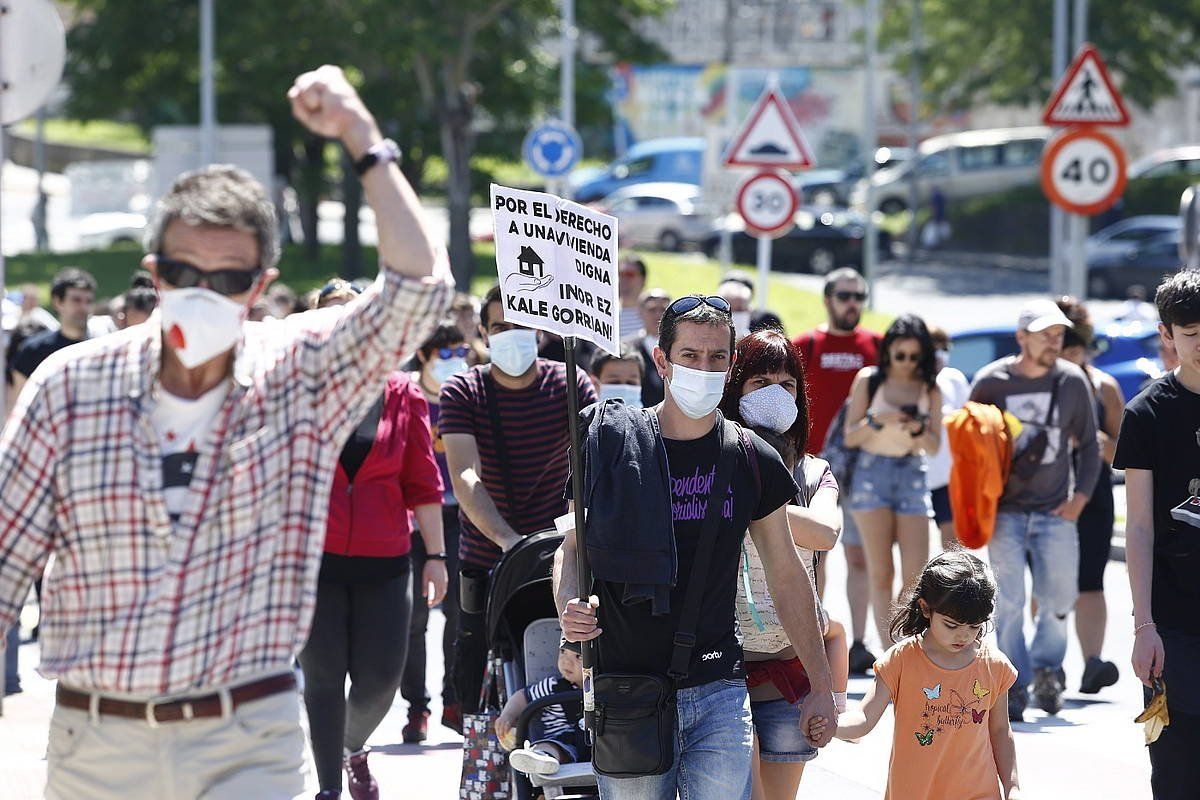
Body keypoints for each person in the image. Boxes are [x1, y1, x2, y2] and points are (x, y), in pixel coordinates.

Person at [0, 66, 452, 799]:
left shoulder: (300, 375)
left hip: (249, 740)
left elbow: (420, 291)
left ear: (258, 283)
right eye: (184, 271)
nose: (203, 292)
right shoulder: (69, 387)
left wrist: (362, 138)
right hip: (99, 742)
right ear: (154, 272)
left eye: (228, 278)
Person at [555, 294, 836, 800]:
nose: (703, 368)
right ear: (662, 360)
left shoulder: (753, 459)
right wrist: (568, 619)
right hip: (627, 690)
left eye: (716, 358)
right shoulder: (610, 443)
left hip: (718, 690)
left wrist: (820, 684)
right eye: (690, 356)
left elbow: (788, 572)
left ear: (730, 367)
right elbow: (571, 551)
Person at [297, 280, 448, 800]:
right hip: (313, 562)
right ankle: (328, 788)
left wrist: (436, 556)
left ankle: (350, 746)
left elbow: (424, 482)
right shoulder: (294, 388)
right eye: (330, 314)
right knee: (321, 680)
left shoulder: (402, 392)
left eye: (352, 313)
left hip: (386, 560)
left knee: (380, 681)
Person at [440, 285, 597, 716]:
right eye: (500, 327)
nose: (512, 334)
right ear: (484, 334)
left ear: (541, 329)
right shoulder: (464, 390)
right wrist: (510, 542)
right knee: (478, 687)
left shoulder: (571, 383)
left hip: (562, 553)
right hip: (490, 558)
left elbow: (592, 465)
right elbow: (464, 474)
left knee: (576, 665)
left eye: (521, 325)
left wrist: (568, 537)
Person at [720, 328, 849, 800]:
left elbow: (826, 532)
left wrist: (753, 496)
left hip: (788, 672)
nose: (775, 393)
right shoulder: (713, 462)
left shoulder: (815, 473)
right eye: (759, 382)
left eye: (787, 384)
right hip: (719, 677)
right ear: (735, 389)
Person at [970, 298, 1100, 721]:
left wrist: (1080, 498)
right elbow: (969, 445)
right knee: (1008, 601)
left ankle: (1048, 667)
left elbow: (1089, 446)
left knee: (1058, 598)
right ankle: (1015, 683)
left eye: (1059, 334)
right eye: (1045, 334)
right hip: (1005, 510)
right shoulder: (992, 382)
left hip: (1054, 510)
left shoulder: (1072, 381)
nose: (1054, 341)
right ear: (1022, 336)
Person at [809, 551, 1023, 800]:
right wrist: (832, 724)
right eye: (951, 625)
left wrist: (1012, 786)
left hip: (978, 792)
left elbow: (1000, 731)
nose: (963, 636)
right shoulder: (901, 659)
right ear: (925, 608)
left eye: (974, 627)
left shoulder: (994, 665)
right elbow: (864, 718)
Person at [1118, 269, 1200, 800]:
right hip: (1173, 620)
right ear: (1167, 335)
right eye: (1192, 334)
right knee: (1176, 772)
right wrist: (1143, 625)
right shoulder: (1145, 412)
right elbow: (1140, 527)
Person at [793, 267, 882, 674]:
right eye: (845, 295)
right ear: (828, 299)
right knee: (814, 556)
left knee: (862, 557)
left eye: (859, 296)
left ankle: (860, 642)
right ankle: (813, 629)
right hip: (812, 468)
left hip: (865, 466)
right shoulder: (807, 345)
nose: (852, 303)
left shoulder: (876, 347)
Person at [844, 314, 942, 650]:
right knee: (880, 571)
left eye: (915, 357)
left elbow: (934, 445)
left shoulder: (930, 387)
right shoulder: (869, 380)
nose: (907, 364)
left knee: (917, 576)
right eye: (901, 356)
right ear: (887, 352)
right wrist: (878, 419)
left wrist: (917, 428)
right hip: (872, 473)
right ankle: (889, 653)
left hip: (912, 471)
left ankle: (907, 644)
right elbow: (851, 436)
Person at [402, 321, 470, 742]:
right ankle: (415, 707)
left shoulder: (465, 395)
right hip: (411, 519)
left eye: (460, 351)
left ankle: (452, 699)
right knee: (413, 617)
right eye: (445, 353)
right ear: (424, 355)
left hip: (460, 516)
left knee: (460, 614)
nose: (454, 361)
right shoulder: (405, 396)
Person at [1056, 297, 1123, 695]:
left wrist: (1100, 445)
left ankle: (1092, 663)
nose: (1070, 356)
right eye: (1064, 348)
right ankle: (1050, 663)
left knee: (1090, 582)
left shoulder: (1104, 387)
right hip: (1048, 496)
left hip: (1094, 494)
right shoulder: (1041, 387)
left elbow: (1126, 454)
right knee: (1049, 584)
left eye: (1077, 348)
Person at [496, 639, 589, 776]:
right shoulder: (553, 686)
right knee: (551, 746)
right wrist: (508, 715)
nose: (566, 662)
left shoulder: (605, 688)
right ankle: (541, 758)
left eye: (578, 656)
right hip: (563, 743)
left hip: (598, 747)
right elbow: (523, 696)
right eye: (563, 652)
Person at [10, 267, 97, 401]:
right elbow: (18, 404)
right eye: (76, 300)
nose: (84, 308)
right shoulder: (33, 351)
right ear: (58, 302)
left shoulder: (98, 349)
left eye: (88, 301)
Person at [927, 326, 970, 549]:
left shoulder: (954, 379)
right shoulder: (909, 382)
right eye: (933, 348)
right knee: (916, 553)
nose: (939, 354)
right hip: (918, 479)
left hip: (949, 477)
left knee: (953, 548)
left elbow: (968, 421)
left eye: (944, 348)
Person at [621, 288, 670, 407]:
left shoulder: (679, 347)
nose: (658, 315)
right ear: (640, 311)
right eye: (652, 309)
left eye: (663, 309)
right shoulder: (626, 347)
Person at [617, 253, 648, 340]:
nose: (623, 279)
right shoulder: (608, 314)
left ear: (643, 279)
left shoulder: (654, 313)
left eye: (629, 275)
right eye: (620, 274)